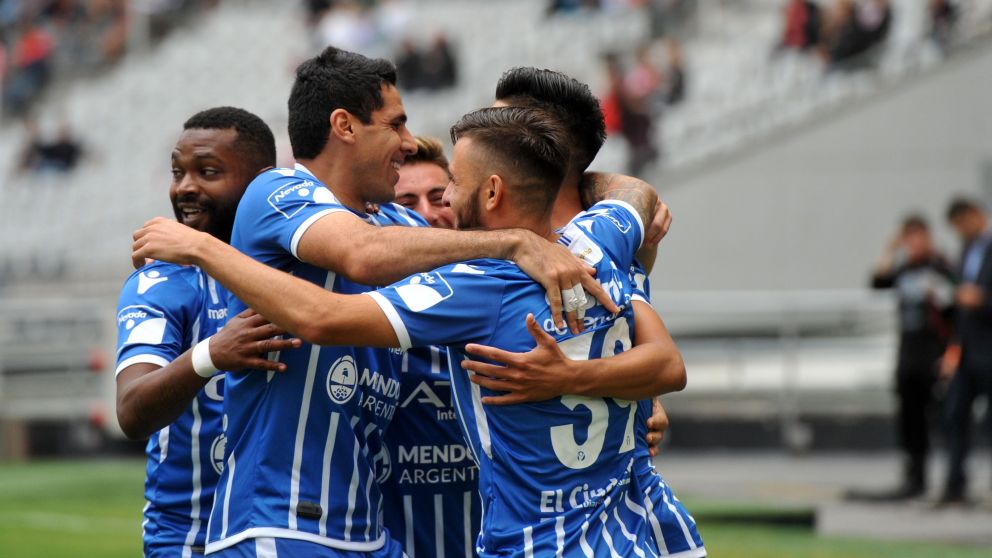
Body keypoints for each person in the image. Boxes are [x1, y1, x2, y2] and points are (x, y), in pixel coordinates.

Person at [131, 105, 688, 557]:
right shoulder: (596, 241)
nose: (440, 203)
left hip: (537, 541)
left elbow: (322, 317)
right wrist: (605, 384)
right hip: (639, 531)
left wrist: (202, 249)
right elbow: (638, 207)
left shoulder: (469, 287)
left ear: (492, 192)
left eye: (453, 186)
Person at [115, 107, 300, 558]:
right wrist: (212, 354)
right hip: (193, 540)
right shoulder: (162, 282)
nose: (185, 187)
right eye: (178, 172)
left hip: (291, 534)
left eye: (208, 172)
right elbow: (132, 410)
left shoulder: (300, 271)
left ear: (260, 182)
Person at [848, 215, 954, 502]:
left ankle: (953, 480)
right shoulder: (905, 269)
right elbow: (877, 281)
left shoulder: (941, 267)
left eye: (919, 237)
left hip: (933, 354)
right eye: (909, 238)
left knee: (943, 419)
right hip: (907, 355)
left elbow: (954, 311)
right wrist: (890, 248)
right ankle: (915, 478)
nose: (915, 243)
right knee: (910, 421)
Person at [940, 198, 992, 505]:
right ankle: (954, 485)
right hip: (968, 350)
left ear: (974, 215)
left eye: (961, 224)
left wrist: (983, 300)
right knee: (954, 415)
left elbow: (977, 297)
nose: (960, 232)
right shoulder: (965, 251)